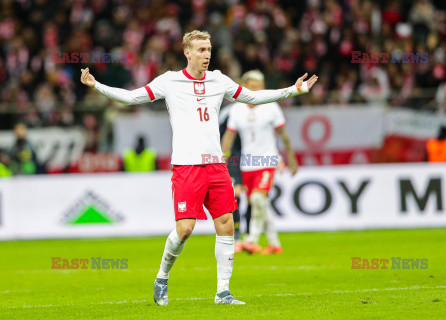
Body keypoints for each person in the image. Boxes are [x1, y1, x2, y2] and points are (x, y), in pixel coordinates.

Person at [80, 30, 317, 305]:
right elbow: (132, 98)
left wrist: (293, 90)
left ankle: (223, 292)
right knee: (185, 229)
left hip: (216, 165)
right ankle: (162, 277)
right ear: (187, 52)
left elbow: (252, 97)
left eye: (209, 50)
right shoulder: (169, 81)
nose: (207, 55)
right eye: (201, 50)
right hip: (186, 167)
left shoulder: (219, 80)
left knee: (226, 225)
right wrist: (97, 85)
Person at [221, 70, 298, 255]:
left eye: (257, 86)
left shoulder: (271, 106)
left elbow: (284, 135)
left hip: (267, 160)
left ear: (263, 87)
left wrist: (291, 159)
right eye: (250, 86)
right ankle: (274, 244)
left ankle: (251, 240)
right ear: (244, 86)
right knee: (260, 203)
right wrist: (221, 158)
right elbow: (229, 137)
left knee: (257, 199)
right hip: (247, 163)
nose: (254, 90)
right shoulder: (237, 108)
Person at [219, 104, 245, 252]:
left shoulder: (259, 108)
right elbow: (221, 137)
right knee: (236, 195)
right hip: (233, 159)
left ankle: (249, 235)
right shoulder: (227, 113)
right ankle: (237, 233)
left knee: (256, 197)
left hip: (253, 158)